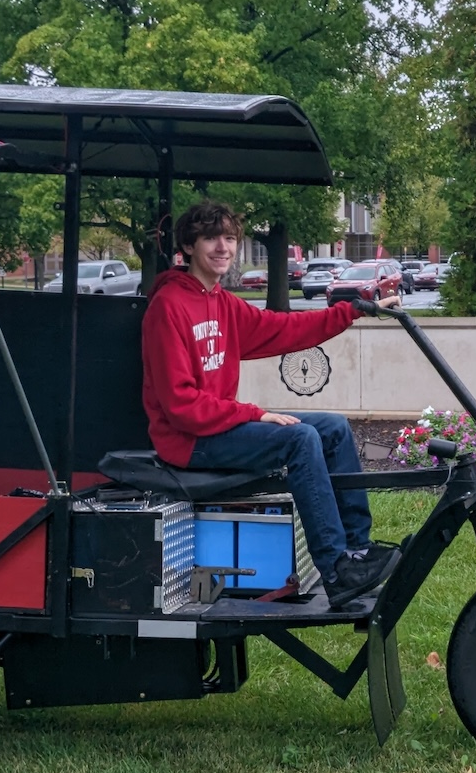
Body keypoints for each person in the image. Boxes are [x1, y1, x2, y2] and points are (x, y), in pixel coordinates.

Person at [142, 200, 399, 605]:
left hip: (216, 427)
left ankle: (357, 552)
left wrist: (353, 312)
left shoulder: (222, 303)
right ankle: (335, 570)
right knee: (300, 439)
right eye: (211, 238)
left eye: (229, 238)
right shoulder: (168, 307)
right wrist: (255, 413)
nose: (222, 247)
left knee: (331, 428)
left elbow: (284, 328)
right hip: (187, 440)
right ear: (188, 247)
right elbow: (181, 405)